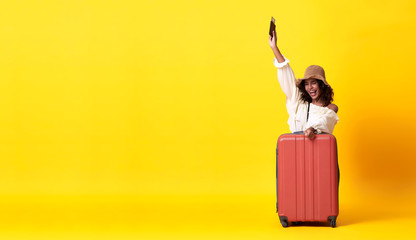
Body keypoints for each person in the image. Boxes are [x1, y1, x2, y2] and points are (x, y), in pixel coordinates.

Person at [269, 29, 339, 212]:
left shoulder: (331, 107)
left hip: (319, 156)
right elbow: (286, 74)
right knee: (293, 187)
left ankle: (322, 212)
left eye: (314, 83)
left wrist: (313, 129)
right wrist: (274, 47)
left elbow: (326, 124)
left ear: (322, 85)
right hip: (295, 153)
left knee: (320, 188)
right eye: (307, 83)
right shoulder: (297, 101)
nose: (310, 87)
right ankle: (293, 212)